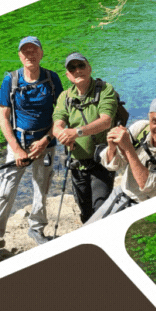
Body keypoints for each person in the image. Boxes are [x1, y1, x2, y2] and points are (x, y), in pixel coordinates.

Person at [0, 36, 61, 245]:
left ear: (41, 53)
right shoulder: (11, 80)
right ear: (19, 55)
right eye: (25, 51)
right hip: (18, 144)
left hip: (45, 145)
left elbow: (62, 116)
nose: (30, 54)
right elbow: (3, 117)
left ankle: (36, 229)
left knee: (41, 189)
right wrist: (17, 149)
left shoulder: (52, 79)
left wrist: (45, 140)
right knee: (6, 190)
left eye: (34, 50)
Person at [86, 95, 156, 223]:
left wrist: (128, 149)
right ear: (149, 117)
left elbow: (149, 186)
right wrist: (112, 147)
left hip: (149, 210)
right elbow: (113, 165)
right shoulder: (141, 128)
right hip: (122, 195)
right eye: (155, 121)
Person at [52, 51, 118, 223]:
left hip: (101, 162)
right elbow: (57, 125)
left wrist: (76, 132)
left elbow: (105, 121)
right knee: (86, 213)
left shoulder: (105, 89)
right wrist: (62, 135)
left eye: (81, 65)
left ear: (89, 68)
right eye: (72, 68)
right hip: (76, 166)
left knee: (101, 210)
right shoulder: (64, 97)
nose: (78, 70)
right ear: (68, 75)